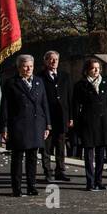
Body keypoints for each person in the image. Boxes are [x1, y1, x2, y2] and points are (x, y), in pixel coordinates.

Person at [0, 54, 52, 197]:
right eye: (25, 66)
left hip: (36, 124)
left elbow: (44, 104)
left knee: (32, 157)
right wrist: (3, 127)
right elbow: (4, 106)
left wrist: (47, 125)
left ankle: (31, 186)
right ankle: (16, 188)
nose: (28, 69)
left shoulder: (39, 82)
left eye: (31, 66)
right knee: (17, 158)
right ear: (19, 67)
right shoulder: (11, 83)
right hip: (18, 125)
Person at [69, 57, 107, 191]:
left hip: (103, 122)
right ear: (87, 70)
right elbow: (76, 105)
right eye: (93, 68)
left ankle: (98, 180)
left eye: (98, 68)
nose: (96, 71)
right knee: (89, 154)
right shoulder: (80, 85)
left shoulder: (105, 83)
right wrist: (76, 123)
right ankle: (90, 181)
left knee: (101, 154)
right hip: (88, 123)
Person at [37, 50, 72, 183]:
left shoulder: (65, 76)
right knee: (46, 147)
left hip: (62, 116)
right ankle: (47, 172)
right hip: (47, 117)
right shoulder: (39, 77)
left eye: (56, 59)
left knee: (60, 145)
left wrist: (71, 117)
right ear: (45, 61)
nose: (53, 62)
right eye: (51, 59)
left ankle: (60, 170)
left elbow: (70, 98)